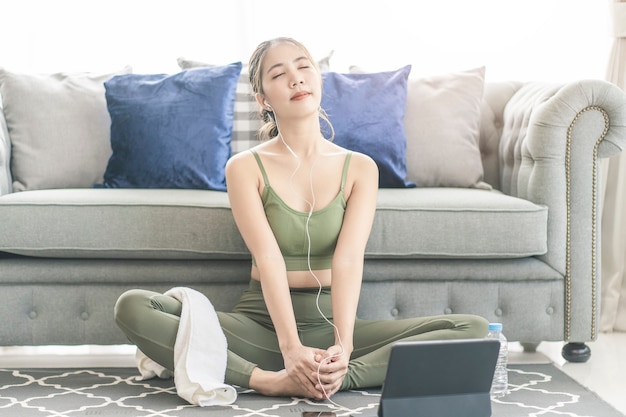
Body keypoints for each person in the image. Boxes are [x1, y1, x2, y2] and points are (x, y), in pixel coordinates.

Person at [114, 37, 488, 401]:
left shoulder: (359, 168)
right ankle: (269, 381)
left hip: (332, 322)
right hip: (261, 327)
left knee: (471, 329)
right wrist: (290, 347)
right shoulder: (245, 167)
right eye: (278, 74)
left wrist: (343, 347)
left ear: (317, 79)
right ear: (263, 100)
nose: (295, 78)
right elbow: (269, 258)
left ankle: (337, 377)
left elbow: (347, 259)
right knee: (133, 306)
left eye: (303, 66)